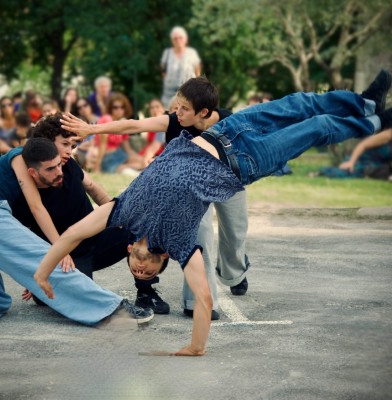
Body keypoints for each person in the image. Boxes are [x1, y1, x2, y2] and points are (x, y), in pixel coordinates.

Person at [36, 69, 392, 356]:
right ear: (164, 260)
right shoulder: (180, 243)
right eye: (148, 272)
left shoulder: (122, 212)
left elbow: (71, 236)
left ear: (130, 249)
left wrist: (42, 273)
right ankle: (374, 124)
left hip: (229, 130)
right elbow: (204, 299)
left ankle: (365, 103)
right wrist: (196, 347)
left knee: (298, 103)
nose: (140, 270)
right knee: (317, 127)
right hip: (245, 162)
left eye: (138, 268)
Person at [58, 77, 253, 320]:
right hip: (190, 187)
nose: (177, 112)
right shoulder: (175, 122)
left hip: (228, 178)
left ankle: (234, 272)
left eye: (184, 109)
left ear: (203, 112)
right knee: (199, 234)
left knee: (235, 232)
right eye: (177, 106)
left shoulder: (229, 122)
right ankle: (196, 302)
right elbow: (133, 126)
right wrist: (93, 128)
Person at [0, 136, 153, 331]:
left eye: (59, 164)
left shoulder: (36, 163)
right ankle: (112, 309)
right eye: (51, 168)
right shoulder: (20, 158)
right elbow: (36, 208)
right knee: (49, 261)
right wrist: (60, 249)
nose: (59, 170)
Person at [12, 115, 131, 305]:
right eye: (65, 144)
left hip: (93, 240)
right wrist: (45, 263)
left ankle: (147, 290)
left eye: (73, 146)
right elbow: (29, 227)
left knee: (139, 229)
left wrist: (119, 217)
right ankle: (44, 286)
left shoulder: (69, 165)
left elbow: (93, 188)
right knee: (68, 299)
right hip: (66, 255)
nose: (70, 151)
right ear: (48, 143)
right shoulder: (27, 183)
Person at [317, 118, 392, 179]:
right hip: (363, 161)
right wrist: (351, 162)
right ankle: (320, 173)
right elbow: (362, 145)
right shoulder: (388, 135)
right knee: (346, 173)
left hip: (378, 167)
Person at [93, 93, 143, 175]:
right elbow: (102, 144)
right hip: (107, 157)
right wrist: (97, 167)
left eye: (122, 107)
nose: (119, 110)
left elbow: (127, 149)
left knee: (142, 163)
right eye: (115, 107)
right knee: (130, 171)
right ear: (110, 108)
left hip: (120, 154)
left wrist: (140, 158)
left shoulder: (122, 123)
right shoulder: (107, 119)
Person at [161, 26, 201, 106]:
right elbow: (163, 71)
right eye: (175, 38)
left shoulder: (192, 53)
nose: (178, 40)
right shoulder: (167, 53)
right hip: (169, 94)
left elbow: (197, 73)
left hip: (188, 92)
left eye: (180, 38)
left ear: (185, 39)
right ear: (172, 40)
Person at [138, 98, 166, 168]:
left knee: (136, 162)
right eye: (152, 108)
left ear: (163, 108)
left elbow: (157, 145)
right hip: (147, 153)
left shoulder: (165, 124)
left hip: (157, 154)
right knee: (131, 159)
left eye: (157, 107)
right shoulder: (151, 124)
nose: (154, 110)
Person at [72, 97, 98, 169]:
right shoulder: (78, 123)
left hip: (95, 151)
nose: (83, 108)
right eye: (79, 108)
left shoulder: (100, 120)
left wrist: (80, 146)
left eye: (85, 105)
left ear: (90, 106)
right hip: (80, 152)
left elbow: (97, 142)